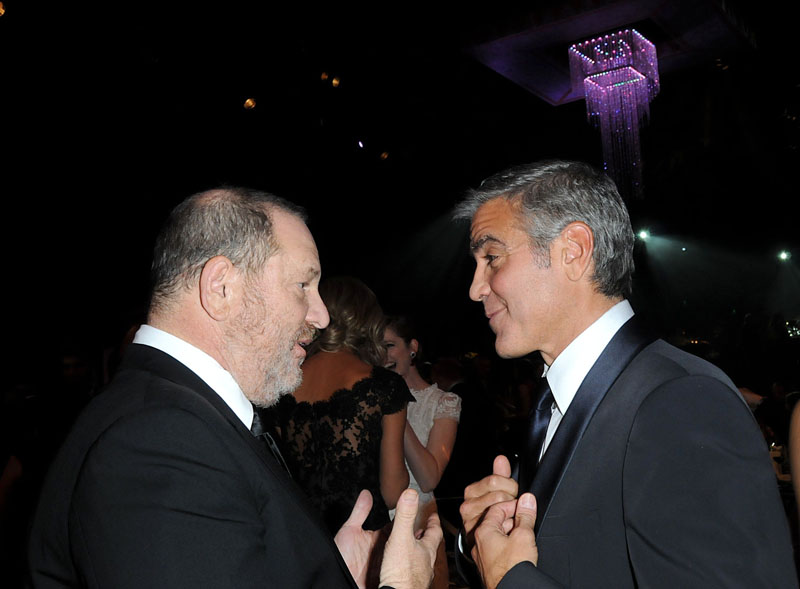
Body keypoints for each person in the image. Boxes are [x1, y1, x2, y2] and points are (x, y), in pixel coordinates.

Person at [27, 187, 441, 589]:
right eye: (302, 285)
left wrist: (328, 571)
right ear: (221, 286)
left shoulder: (178, 413)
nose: (320, 316)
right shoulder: (159, 440)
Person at [452, 160, 797, 588]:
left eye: (492, 257)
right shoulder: (560, 398)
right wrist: (484, 540)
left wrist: (511, 579)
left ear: (573, 250)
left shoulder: (679, 401)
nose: (476, 288)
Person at [272, 276, 412, 534]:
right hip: (364, 539)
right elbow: (393, 493)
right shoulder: (384, 386)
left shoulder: (283, 385)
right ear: (368, 320)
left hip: (305, 537)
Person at [383, 316, 461, 589]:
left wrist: (394, 408)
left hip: (418, 519)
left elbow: (429, 478)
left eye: (390, 345)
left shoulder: (443, 402)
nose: (385, 355)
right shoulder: (369, 400)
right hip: (378, 520)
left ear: (412, 347)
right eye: (377, 348)